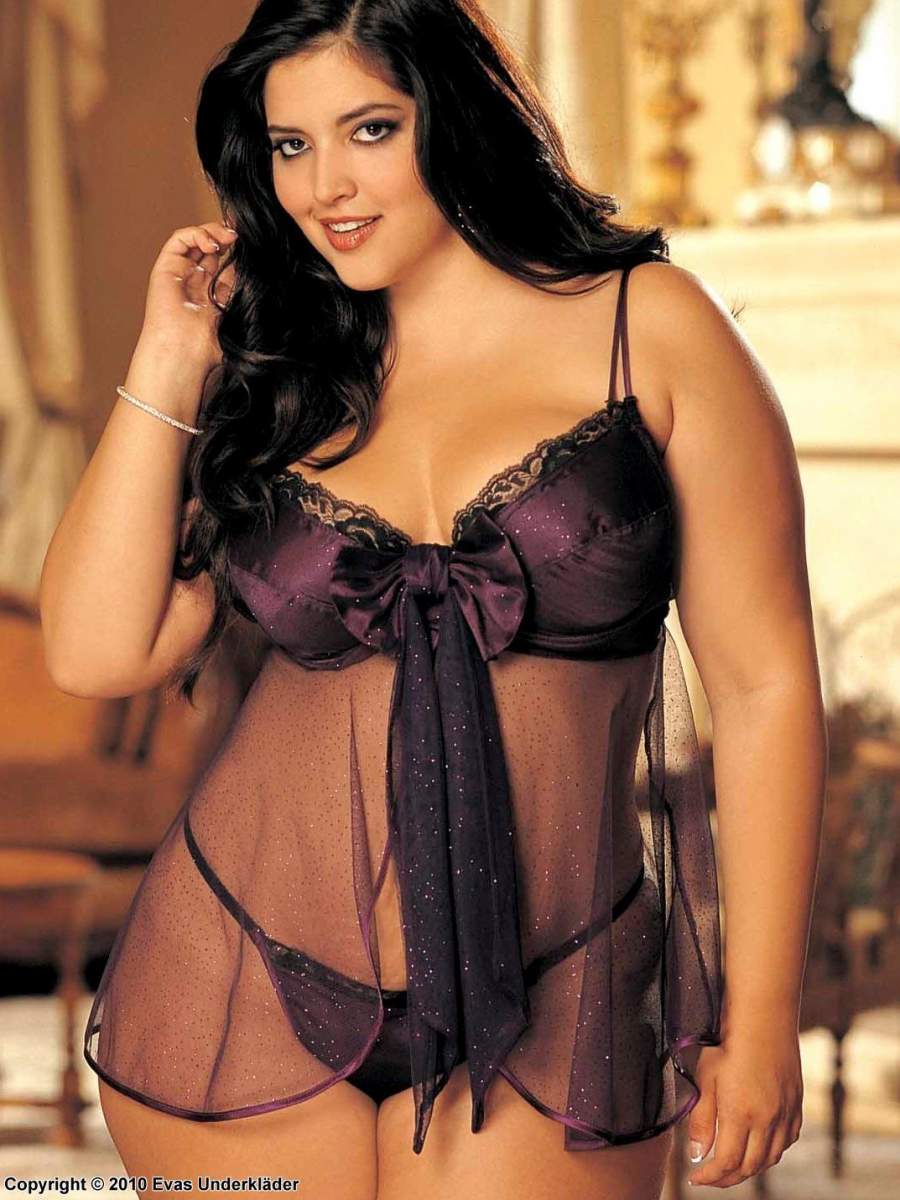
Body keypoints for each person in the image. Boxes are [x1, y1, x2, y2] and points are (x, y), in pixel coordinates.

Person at [40, 2, 827, 1197]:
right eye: (291, 144)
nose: (324, 186)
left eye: (369, 129)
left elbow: (765, 683)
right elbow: (98, 653)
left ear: (456, 116)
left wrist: (761, 1019)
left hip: (563, 984)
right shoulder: (280, 364)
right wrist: (169, 361)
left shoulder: (650, 327)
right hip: (240, 970)